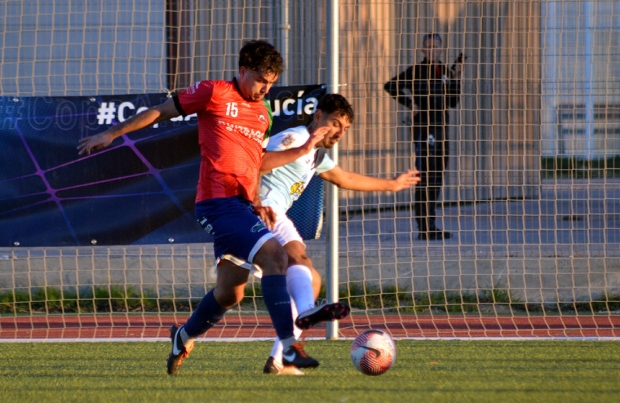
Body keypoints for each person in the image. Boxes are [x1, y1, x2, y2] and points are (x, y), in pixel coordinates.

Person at [77, 40, 321, 375]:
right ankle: (289, 348)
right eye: (261, 80)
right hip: (216, 203)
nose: (265, 88)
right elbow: (161, 110)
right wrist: (114, 133)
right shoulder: (213, 92)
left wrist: (259, 200)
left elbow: (255, 162)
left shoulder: (263, 113)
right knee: (277, 256)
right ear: (243, 69)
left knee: (228, 294)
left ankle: (183, 335)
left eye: (271, 83)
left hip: (242, 207)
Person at [240, 93, 420, 375]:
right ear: (318, 116)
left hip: (273, 214)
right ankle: (297, 331)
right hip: (258, 211)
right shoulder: (295, 138)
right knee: (293, 269)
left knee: (306, 277)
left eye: (345, 129)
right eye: (335, 123)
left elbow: (344, 179)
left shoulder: (316, 154)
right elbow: (256, 162)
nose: (339, 132)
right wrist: (257, 203)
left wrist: (391, 185)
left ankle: (280, 358)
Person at [384, 33, 462, 241]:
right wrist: (412, 104)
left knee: (437, 176)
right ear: (422, 50)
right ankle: (424, 226)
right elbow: (390, 86)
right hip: (424, 128)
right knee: (425, 176)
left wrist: (456, 78)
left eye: (436, 47)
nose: (432, 50)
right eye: (428, 47)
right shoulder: (417, 71)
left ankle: (431, 224)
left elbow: (453, 101)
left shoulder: (444, 71)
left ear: (441, 49)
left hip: (441, 127)